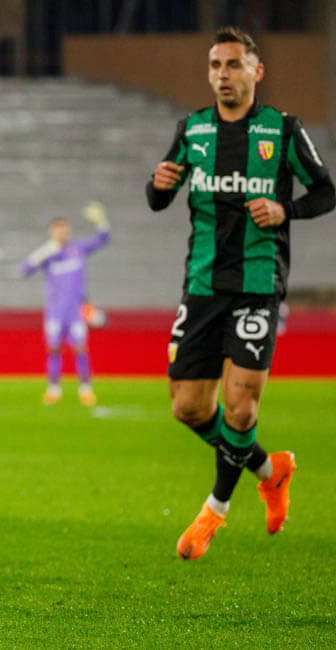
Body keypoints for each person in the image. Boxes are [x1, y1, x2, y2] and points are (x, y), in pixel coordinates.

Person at [145, 27, 333, 560]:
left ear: (257, 71)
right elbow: (158, 198)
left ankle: (214, 511)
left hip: (257, 286)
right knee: (188, 407)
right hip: (202, 285)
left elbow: (326, 191)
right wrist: (158, 185)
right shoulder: (193, 130)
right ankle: (271, 470)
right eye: (215, 65)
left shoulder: (283, 131)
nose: (222, 74)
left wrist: (285, 209)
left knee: (241, 408)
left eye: (233, 64)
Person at [19, 201, 110, 405]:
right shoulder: (48, 254)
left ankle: (85, 390)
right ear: (51, 232)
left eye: (64, 229)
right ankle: (53, 390)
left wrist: (101, 221)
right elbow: (24, 270)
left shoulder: (78, 248)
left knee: (80, 348)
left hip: (75, 311)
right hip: (55, 311)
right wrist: (45, 251)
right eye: (58, 230)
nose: (62, 233)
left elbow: (104, 239)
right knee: (53, 349)